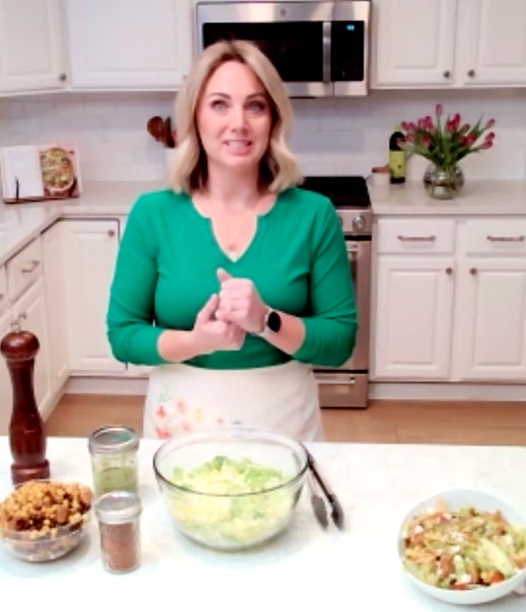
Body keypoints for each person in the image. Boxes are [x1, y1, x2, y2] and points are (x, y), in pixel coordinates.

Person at [106, 39, 357, 442]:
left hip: (285, 425)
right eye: (219, 104)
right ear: (195, 117)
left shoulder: (313, 214)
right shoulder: (153, 215)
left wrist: (266, 320)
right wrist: (195, 341)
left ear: (273, 120)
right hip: (182, 426)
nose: (238, 123)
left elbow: (339, 341)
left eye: (255, 106)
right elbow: (123, 335)